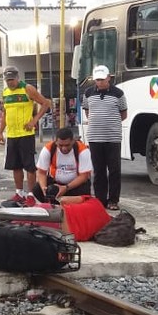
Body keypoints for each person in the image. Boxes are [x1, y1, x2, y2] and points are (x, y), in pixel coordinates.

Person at [0, 65, 53, 206]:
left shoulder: (28, 89)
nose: (10, 82)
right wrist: (0, 132)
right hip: (12, 134)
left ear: (17, 78)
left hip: (26, 134)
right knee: (15, 166)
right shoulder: (5, 93)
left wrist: (34, 120)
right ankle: (19, 193)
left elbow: (46, 104)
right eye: (7, 80)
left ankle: (31, 194)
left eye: (12, 79)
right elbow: (4, 114)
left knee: (29, 166)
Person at [82, 65, 128, 211]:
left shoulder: (118, 93)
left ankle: (113, 199)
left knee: (114, 170)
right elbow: (87, 112)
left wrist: (110, 123)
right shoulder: (88, 93)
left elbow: (123, 114)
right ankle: (100, 199)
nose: (100, 82)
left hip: (113, 138)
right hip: (95, 137)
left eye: (102, 79)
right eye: (97, 80)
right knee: (99, 170)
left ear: (109, 78)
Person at [33, 127, 92, 203]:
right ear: (56, 142)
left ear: (73, 141)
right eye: (60, 145)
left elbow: (84, 176)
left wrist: (66, 188)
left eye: (67, 145)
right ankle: (51, 203)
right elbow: (41, 172)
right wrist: (44, 188)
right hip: (55, 184)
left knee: (84, 190)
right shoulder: (48, 149)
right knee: (37, 189)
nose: (64, 148)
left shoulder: (83, 150)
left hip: (74, 186)